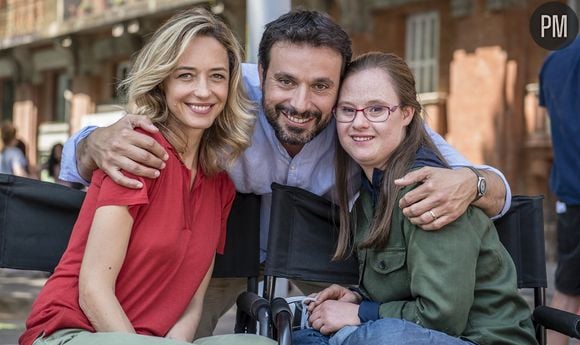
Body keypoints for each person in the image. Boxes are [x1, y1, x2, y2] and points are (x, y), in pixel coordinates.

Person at [60, 10, 513, 338]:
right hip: (219, 250)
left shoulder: (361, 116)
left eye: (321, 86)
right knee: (170, 331)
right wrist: (91, 145)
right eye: (285, 82)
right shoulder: (221, 94)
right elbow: (117, 135)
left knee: (336, 331)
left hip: (324, 249)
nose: (300, 103)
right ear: (260, 74)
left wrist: (471, 183)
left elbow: (491, 184)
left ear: (341, 86)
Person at [20, 8, 273, 345]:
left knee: (259, 343)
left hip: (149, 340)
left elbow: (192, 301)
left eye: (217, 76)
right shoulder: (137, 154)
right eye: (186, 75)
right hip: (74, 330)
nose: (204, 91)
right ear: (162, 81)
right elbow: (93, 291)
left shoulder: (220, 184)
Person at [293, 52, 536, 345]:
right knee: (304, 334)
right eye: (347, 110)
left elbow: (441, 317)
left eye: (376, 109)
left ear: (407, 113)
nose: (358, 123)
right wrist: (355, 298)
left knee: (380, 337)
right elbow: (400, 291)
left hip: (480, 340)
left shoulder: (431, 192)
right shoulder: (367, 197)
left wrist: (360, 312)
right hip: (419, 336)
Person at [539, 36, 580, 345]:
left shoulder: (554, 60)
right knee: (568, 292)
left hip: (570, 191)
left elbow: (555, 125)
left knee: (568, 291)